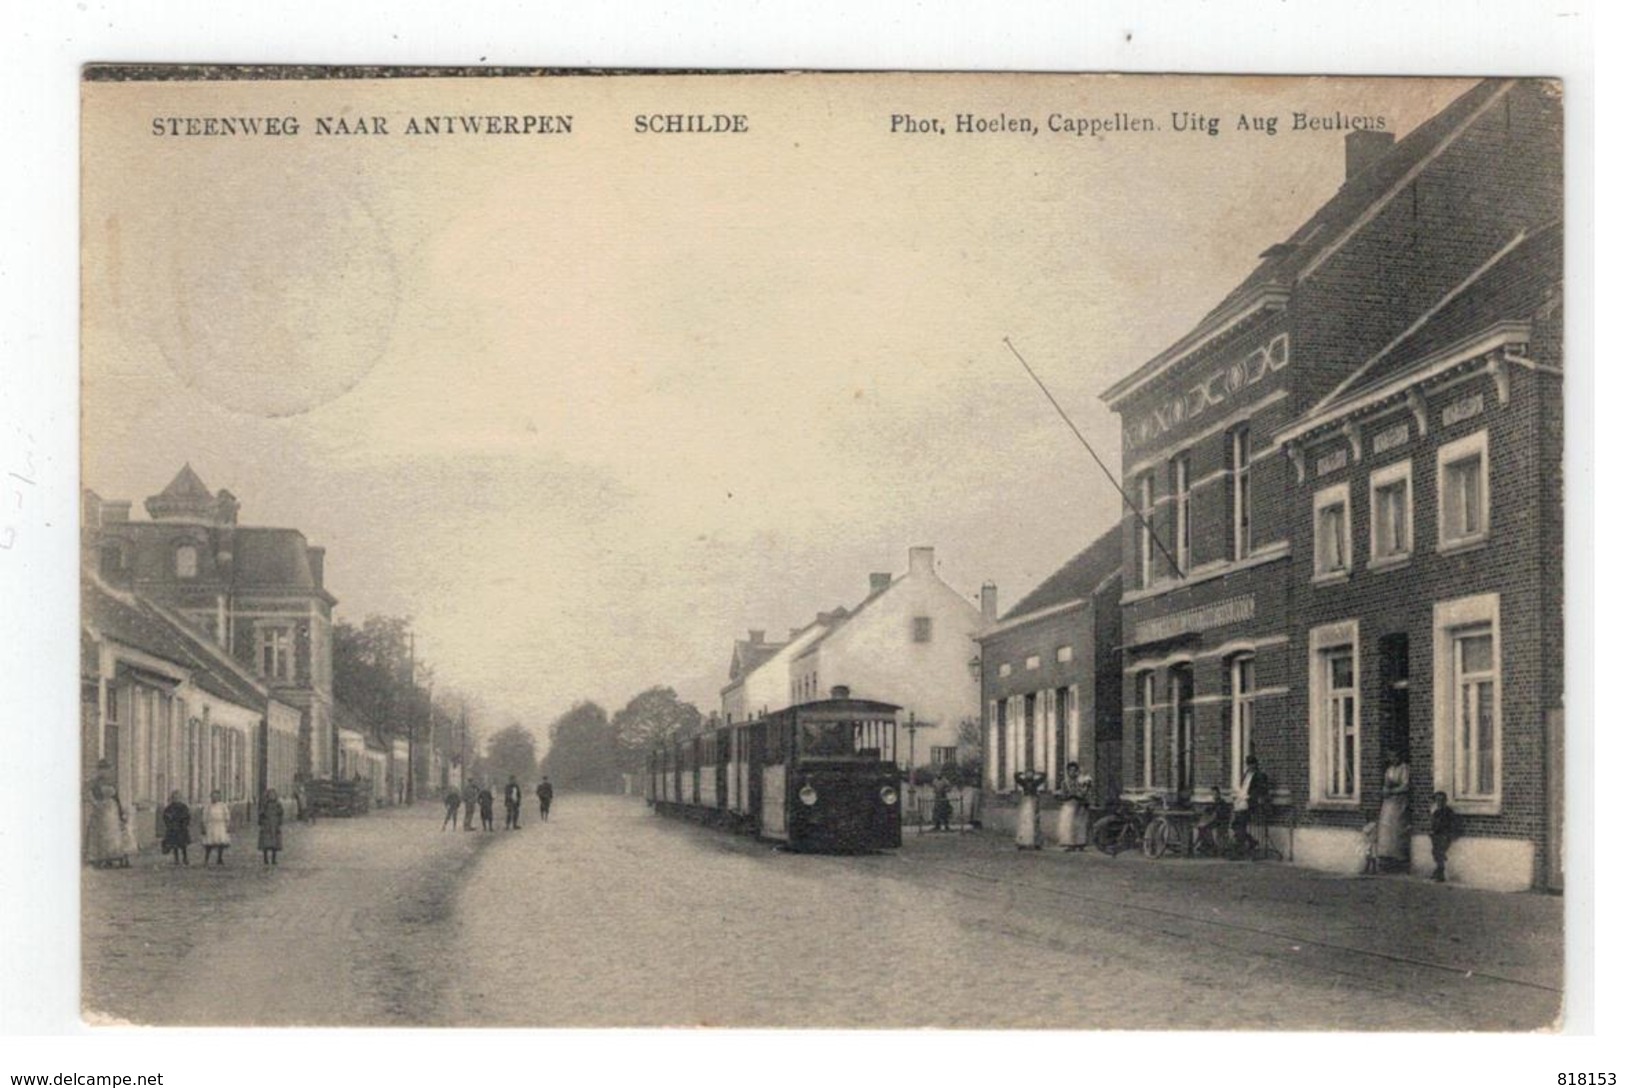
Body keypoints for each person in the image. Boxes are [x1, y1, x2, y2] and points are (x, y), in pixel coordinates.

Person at [85, 777, 130, 869]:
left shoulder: (111, 785)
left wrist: (121, 813)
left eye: (106, 768)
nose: (104, 773)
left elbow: (117, 799)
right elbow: (92, 796)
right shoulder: (96, 786)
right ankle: (104, 859)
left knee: (113, 834)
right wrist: (96, 803)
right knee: (104, 834)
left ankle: (114, 857)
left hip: (112, 810)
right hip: (103, 811)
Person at [1377, 748, 1410, 873]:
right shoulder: (1389, 770)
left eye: (1395, 757)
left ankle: (1399, 859)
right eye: (1391, 757)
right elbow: (1386, 783)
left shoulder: (1404, 768)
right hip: (1389, 802)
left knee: (1397, 828)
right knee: (1386, 827)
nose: (1393, 760)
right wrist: (1385, 789)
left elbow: (1406, 785)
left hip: (1399, 802)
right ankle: (1387, 857)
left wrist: (1393, 791)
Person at [1231, 754, 1268, 859]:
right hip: (1242, 803)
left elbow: (1261, 790)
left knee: (1240, 824)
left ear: (1256, 764)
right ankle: (1251, 841)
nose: (1250, 767)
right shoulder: (1245, 775)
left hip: (1251, 804)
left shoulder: (1260, 775)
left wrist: (1250, 797)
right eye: (1248, 765)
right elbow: (1243, 788)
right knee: (1236, 825)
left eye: (1251, 764)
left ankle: (1239, 850)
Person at [1055, 762, 1093, 852]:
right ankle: (1070, 843)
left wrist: (1084, 792)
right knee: (1069, 824)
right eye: (1070, 771)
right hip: (1070, 804)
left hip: (1081, 804)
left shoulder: (1081, 782)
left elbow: (1086, 792)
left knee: (1081, 823)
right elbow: (1063, 794)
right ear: (1067, 772)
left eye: (1074, 771)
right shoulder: (1065, 783)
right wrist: (1066, 796)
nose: (1072, 773)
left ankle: (1080, 843)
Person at [1013, 769, 1046, 850]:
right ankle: (1023, 841)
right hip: (1026, 800)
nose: (1029, 775)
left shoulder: (1036, 783)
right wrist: (1021, 773)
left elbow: (1044, 776)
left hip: (1033, 800)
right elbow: (1016, 777)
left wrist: (1038, 773)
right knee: (1025, 821)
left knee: (1034, 821)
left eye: (1031, 773)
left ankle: (1036, 842)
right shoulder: (1023, 782)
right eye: (1028, 773)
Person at [1429, 791, 1458, 883]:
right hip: (1436, 835)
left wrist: (1450, 834)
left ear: (1445, 801)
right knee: (1435, 852)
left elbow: (1452, 824)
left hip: (1444, 835)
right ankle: (1438, 870)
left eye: (1441, 800)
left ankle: (1440, 873)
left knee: (1439, 852)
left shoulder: (1448, 812)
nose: (1439, 802)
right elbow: (1433, 824)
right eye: (1437, 800)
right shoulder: (1436, 812)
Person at [200, 789, 232, 866]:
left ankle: (219, 858)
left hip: (220, 825)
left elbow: (227, 815)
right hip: (211, 826)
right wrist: (204, 826)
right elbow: (204, 816)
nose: (215, 798)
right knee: (209, 843)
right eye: (213, 796)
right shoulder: (208, 806)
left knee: (220, 842)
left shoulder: (222, 806)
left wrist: (227, 824)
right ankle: (206, 858)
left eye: (217, 796)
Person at [161, 790, 192, 867]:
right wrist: (169, 824)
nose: (176, 799)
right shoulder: (169, 808)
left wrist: (184, 824)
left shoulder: (183, 807)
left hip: (181, 828)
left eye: (177, 797)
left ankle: (185, 858)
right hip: (173, 828)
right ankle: (176, 859)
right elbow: (165, 817)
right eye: (174, 797)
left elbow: (187, 817)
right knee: (174, 844)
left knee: (183, 844)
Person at [259, 789, 285, 865]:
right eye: (270, 795)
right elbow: (261, 813)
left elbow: (281, 813)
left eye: (273, 795)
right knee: (265, 843)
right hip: (266, 825)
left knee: (275, 844)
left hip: (275, 825)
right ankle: (265, 859)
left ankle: (274, 859)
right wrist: (262, 821)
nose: (272, 796)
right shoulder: (265, 804)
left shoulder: (278, 804)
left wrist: (279, 822)